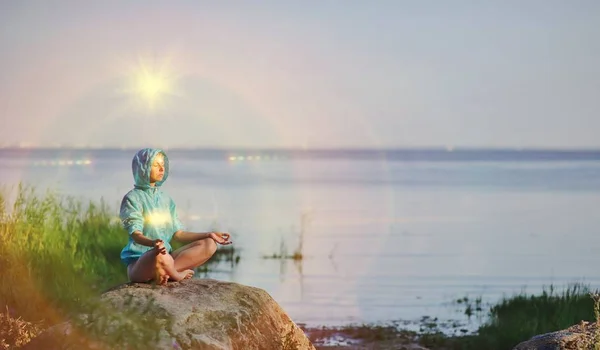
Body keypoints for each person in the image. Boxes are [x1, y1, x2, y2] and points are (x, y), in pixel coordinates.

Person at [119, 148, 232, 285]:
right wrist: (153, 243)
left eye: (163, 165)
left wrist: (209, 234)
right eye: (155, 165)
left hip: (166, 258)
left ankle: (164, 273)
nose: (161, 169)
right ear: (142, 167)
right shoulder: (132, 198)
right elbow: (136, 234)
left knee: (209, 244)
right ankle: (176, 275)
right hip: (142, 262)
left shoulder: (166, 199)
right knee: (160, 254)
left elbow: (178, 234)